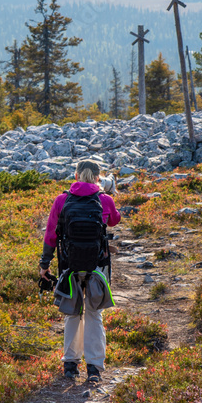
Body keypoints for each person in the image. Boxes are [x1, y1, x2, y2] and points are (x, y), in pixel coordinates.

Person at [39, 160, 121, 383]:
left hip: (69, 265)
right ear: (97, 177)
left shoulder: (62, 200)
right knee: (94, 314)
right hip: (98, 266)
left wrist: (45, 264)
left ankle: (70, 365)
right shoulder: (104, 199)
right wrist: (109, 194)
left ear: (75, 175)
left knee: (73, 312)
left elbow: (50, 235)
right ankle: (94, 367)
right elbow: (114, 220)